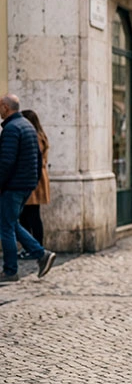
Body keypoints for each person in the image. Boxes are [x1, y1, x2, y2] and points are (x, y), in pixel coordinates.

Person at [0, 94, 57, 282]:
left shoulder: (11, 129)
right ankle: (41, 255)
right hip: (25, 185)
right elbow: (38, 159)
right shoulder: (28, 127)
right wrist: (32, 182)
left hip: (13, 186)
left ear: (5, 107)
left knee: (6, 227)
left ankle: (10, 270)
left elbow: (6, 162)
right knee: (12, 222)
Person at [19, 110, 51, 256]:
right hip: (37, 177)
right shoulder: (39, 135)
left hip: (34, 178)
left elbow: (33, 158)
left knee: (31, 215)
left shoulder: (36, 137)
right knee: (28, 215)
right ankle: (33, 248)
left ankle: (35, 248)